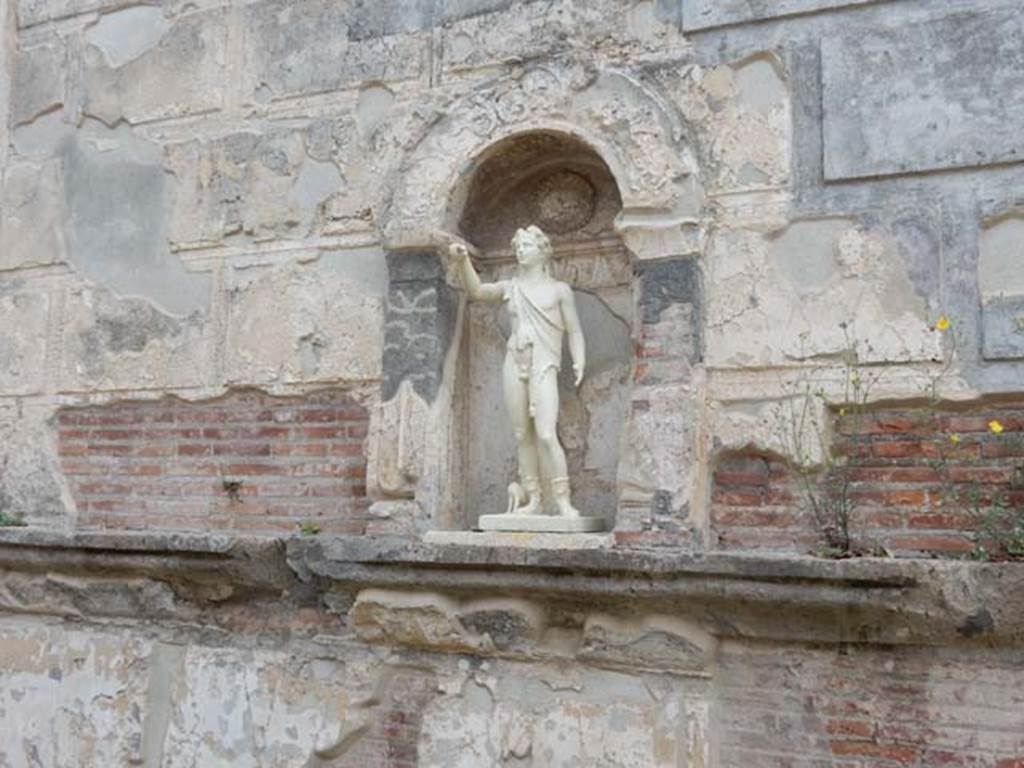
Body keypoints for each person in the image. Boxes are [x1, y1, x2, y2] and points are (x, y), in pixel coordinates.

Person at [448, 226, 586, 517]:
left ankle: (562, 500)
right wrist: (462, 261)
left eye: (527, 245)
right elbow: (477, 291)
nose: (521, 250)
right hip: (514, 360)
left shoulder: (559, 290)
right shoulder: (511, 287)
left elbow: (574, 330)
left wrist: (579, 359)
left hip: (544, 362)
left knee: (546, 433)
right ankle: (533, 499)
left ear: (543, 250)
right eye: (518, 246)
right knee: (522, 434)